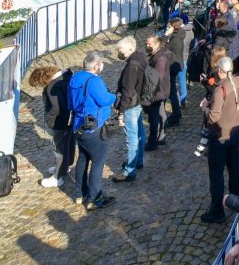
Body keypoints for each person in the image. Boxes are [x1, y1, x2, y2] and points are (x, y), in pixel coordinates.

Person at [202, 56, 239, 223]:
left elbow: (213, 117)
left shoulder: (219, 90)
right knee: (234, 165)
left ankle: (217, 211)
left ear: (219, 70)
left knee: (216, 174)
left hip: (220, 137)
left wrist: (204, 108)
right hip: (236, 132)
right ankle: (236, 199)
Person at [68, 51, 117, 210]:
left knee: (83, 158)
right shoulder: (94, 81)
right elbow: (104, 100)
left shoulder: (75, 78)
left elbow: (70, 104)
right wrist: (113, 96)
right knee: (98, 162)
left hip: (79, 127)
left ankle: (80, 194)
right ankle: (95, 198)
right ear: (97, 66)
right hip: (93, 128)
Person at [29, 65, 76, 188]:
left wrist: (48, 118)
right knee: (70, 143)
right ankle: (66, 166)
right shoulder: (66, 77)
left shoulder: (51, 87)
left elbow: (56, 107)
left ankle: (57, 177)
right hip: (72, 118)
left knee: (60, 149)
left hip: (60, 121)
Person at [111, 36, 147, 182]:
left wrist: (121, 111)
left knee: (132, 138)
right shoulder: (140, 57)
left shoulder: (131, 66)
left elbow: (127, 91)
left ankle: (129, 171)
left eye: (121, 50)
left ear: (131, 49)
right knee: (140, 133)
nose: (119, 52)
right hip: (138, 102)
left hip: (131, 105)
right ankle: (138, 161)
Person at [143, 35, 172, 149]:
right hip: (161, 90)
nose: (147, 46)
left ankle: (153, 141)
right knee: (160, 113)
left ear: (157, 44)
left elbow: (156, 78)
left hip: (158, 92)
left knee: (154, 117)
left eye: (149, 44)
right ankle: (161, 137)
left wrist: (149, 93)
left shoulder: (160, 58)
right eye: (146, 44)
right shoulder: (158, 54)